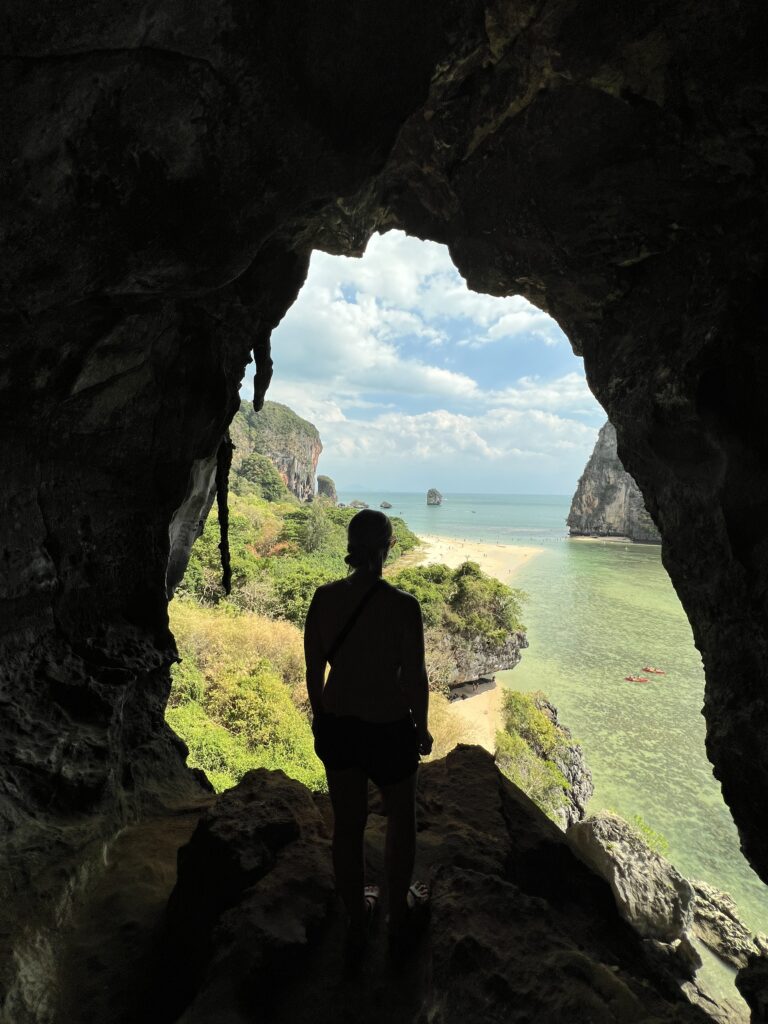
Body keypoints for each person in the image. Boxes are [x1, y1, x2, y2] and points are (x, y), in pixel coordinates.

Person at [304, 509, 433, 948]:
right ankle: (397, 914)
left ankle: (357, 919)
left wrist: (322, 718)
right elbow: (415, 678)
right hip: (388, 727)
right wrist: (423, 728)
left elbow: (313, 671)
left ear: (351, 547)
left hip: (339, 725)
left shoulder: (323, 598)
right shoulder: (403, 606)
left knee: (348, 824)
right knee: (401, 819)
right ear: (388, 548)